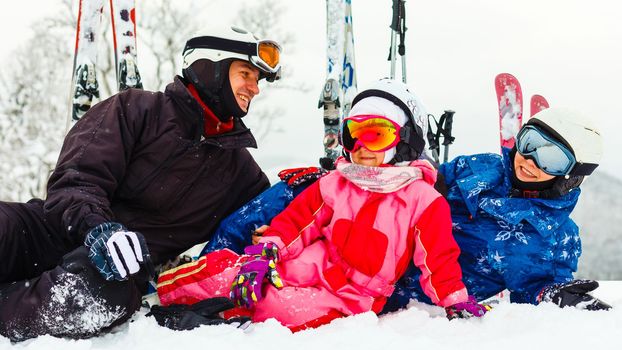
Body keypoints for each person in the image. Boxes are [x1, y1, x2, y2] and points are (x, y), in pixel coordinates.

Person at [0, 26, 281, 342]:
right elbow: (77, 179)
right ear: (211, 66)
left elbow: (276, 225)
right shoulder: (136, 110)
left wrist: (317, 184)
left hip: (117, 276)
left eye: (257, 80)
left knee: (93, 299)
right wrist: (100, 231)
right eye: (246, 74)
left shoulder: (240, 173)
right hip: (46, 233)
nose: (254, 88)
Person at [155, 79, 489, 331]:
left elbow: (438, 259)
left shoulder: (423, 200)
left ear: (406, 140)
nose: (361, 145)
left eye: (375, 134)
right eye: (352, 135)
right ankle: (163, 295)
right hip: (308, 263)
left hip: (352, 296)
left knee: (284, 309)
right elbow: (297, 221)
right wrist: (265, 252)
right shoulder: (337, 182)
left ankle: (217, 317)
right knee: (230, 271)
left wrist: (455, 302)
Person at [383, 107, 612, 312]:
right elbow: (429, 182)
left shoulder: (557, 237)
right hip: (375, 261)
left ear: (572, 176)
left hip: (413, 309)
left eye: (551, 159)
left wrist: (551, 295)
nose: (530, 160)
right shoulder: (480, 168)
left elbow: (532, 290)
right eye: (529, 143)